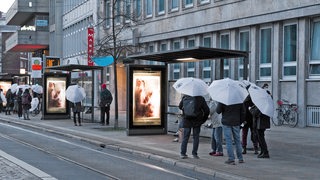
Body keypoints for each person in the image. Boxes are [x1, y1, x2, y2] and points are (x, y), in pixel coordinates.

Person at [179, 95, 209, 159]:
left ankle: (183, 153)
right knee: (196, 137)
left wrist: (186, 110)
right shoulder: (200, 98)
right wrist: (203, 120)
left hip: (187, 120)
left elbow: (180, 106)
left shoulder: (185, 97)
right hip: (197, 121)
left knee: (185, 137)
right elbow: (207, 110)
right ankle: (194, 154)